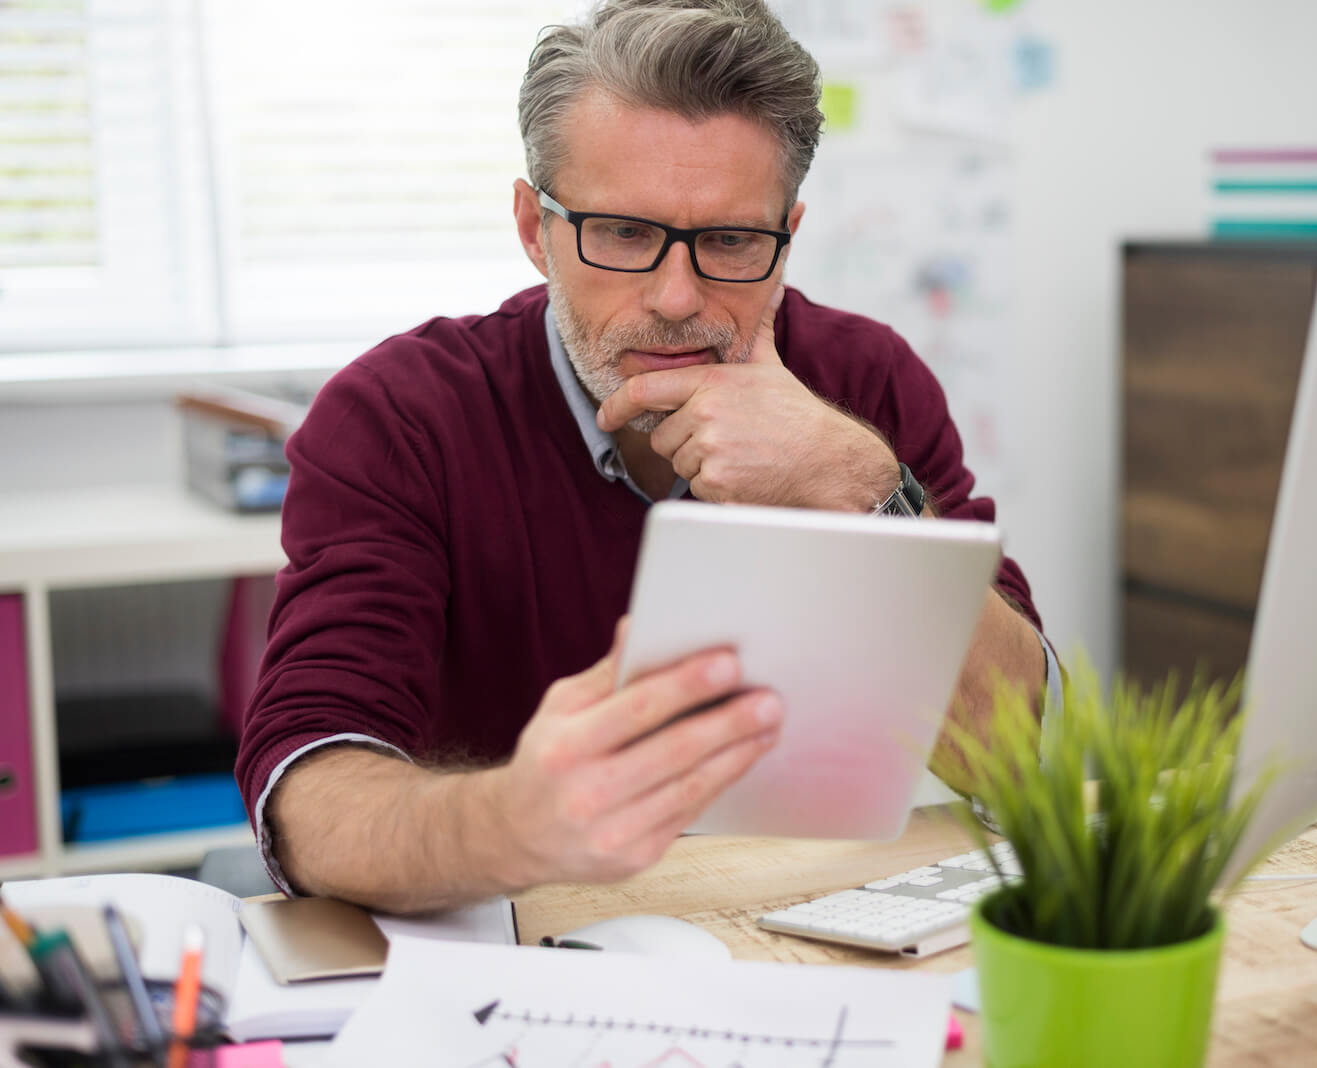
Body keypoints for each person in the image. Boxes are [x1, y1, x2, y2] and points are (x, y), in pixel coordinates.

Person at [235, 0, 1055, 913]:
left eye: (731, 241)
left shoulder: (866, 382)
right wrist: (513, 820)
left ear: (788, 232)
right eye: (623, 234)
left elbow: (1016, 748)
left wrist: (857, 487)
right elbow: (305, 789)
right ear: (532, 227)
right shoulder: (399, 416)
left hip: (813, 919)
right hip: (517, 939)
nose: (675, 297)